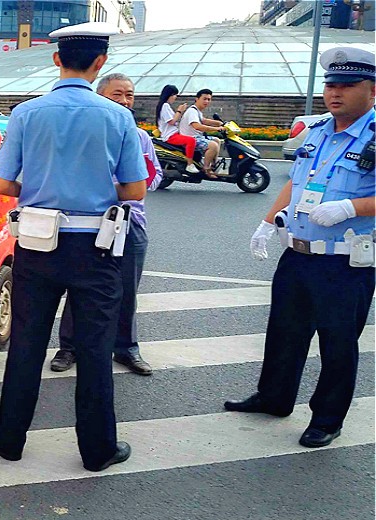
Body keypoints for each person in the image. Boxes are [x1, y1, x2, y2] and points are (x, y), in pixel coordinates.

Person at [0, 22, 147, 472]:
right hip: (97, 247)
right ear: (100, 63)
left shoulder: (26, 113)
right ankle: (97, 450)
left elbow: (0, 184)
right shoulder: (118, 117)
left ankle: (9, 437)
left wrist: (42, 187)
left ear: (56, 59)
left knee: (27, 344)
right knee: (94, 349)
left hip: (38, 243)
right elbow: (135, 190)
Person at [226, 46, 375, 449]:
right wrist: (267, 220)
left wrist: (352, 206)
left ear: (372, 91)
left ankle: (327, 418)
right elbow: (296, 181)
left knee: (337, 342)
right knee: (284, 332)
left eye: (347, 85)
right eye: (330, 85)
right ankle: (274, 397)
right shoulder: (319, 130)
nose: (335, 93)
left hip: (344, 261)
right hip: (298, 253)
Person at [49, 72, 163, 376]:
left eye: (129, 94)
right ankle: (69, 347)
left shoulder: (140, 137)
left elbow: (154, 176)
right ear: (99, 96)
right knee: (79, 285)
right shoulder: (86, 133)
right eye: (118, 94)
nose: (125, 100)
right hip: (89, 222)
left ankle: (126, 348)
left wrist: (113, 187)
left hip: (130, 221)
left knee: (127, 290)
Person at [178, 89, 224, 178]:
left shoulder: (197, 110)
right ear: (197, 99)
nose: (207, 101)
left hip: (197, 137)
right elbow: (197, 126)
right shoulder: (192, 111)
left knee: (217, 140)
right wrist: (217, 128)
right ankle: (206, 169)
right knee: (213, 145)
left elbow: (204, 120)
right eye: (204, 99)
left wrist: (219, 123)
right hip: (190, 139)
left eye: (209, 99)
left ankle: (213, 165)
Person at [156, 84, 199, 174]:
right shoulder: (165, 106)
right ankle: (190, 165)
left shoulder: (165, 106)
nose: (175, 97)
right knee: (191, 141)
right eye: (174, 95)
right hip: (171, 136)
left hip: (174, 134)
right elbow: (171, 121)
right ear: (169, 95)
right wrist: (179, 111)